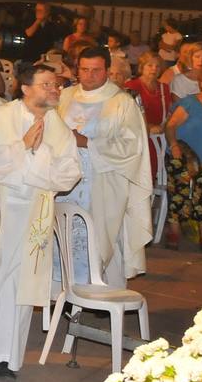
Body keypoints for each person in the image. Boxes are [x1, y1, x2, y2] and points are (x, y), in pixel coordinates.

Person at [0, 64, 82, 380]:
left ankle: (4, 354)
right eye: (46, 84)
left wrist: (37, 155)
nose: (54, 90)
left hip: (35, 211)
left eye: (57, 85)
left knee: (19, 283)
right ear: (25, 88)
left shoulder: (59, 128)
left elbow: (70, 173)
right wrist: (21, 147)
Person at [57, 47, 153, 286]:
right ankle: (62, 294)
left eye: (96, 70)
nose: (89, 76)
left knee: (97, 239)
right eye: (84, 69)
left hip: (102, 182)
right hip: (63, 182)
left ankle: (96, 291)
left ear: (107, 71)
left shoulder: (121, 102)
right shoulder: (65, 96)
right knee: (61, 237)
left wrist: (87, 142)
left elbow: (132, 146)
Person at [164, 69, 202, 252]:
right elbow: (171, 125)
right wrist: (173, 145)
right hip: (182, 154)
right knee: (179, 194)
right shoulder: (190, 103)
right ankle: (174, 232)